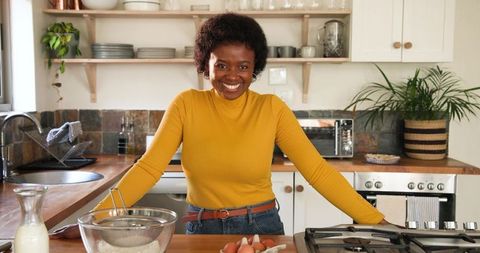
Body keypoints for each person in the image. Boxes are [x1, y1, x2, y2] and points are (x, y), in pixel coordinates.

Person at [52, 13, 386, 238]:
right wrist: (96, 220)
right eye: (222, 64)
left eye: (243, 66)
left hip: (262, 227)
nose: (232, 75)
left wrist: (375, 221)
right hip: (201, 226)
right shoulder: (186, 104)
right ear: (205, 63)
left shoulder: (271, 108)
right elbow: (149, 168)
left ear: (254, 68)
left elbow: (317, 171)